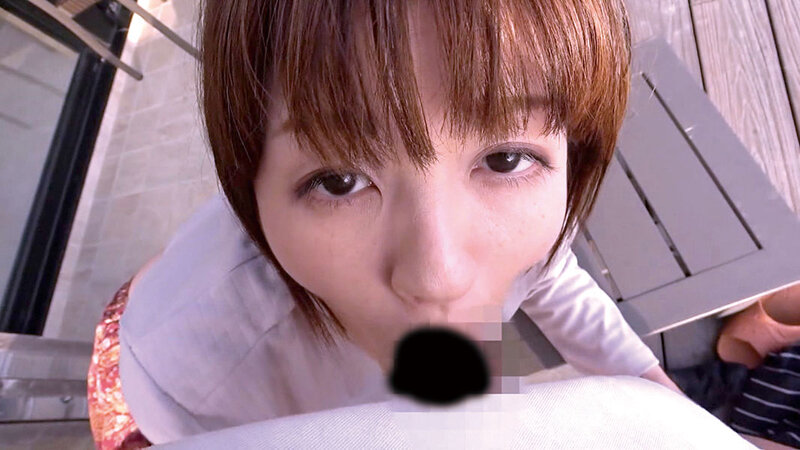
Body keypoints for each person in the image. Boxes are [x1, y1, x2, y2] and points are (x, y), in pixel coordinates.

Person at [88, 0, 692, 447]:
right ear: (246, 184)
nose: (438, 274)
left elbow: (552, 274)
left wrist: (656, 391)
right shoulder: (200, 369)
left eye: (505, 159)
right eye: (338, 181)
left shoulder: (525, 231)